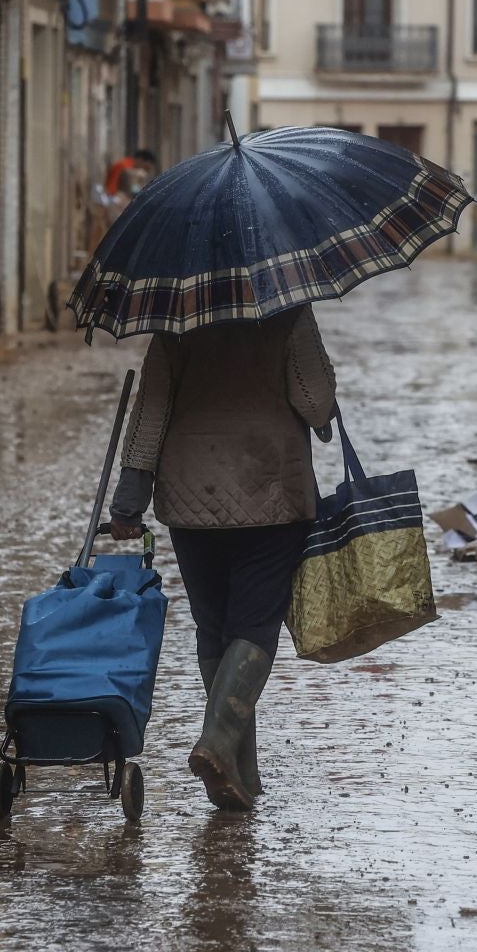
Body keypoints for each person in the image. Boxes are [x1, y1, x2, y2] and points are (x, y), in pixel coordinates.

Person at [108, 306, 337, 811]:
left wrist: (130, 496)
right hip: (272, 492)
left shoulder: (179, 313)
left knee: (213, 628)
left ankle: (240, 772)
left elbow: (151, 408)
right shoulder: (289, 308)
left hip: (192, 496)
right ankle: (216, 742)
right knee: (254, 626)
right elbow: (316, 403)